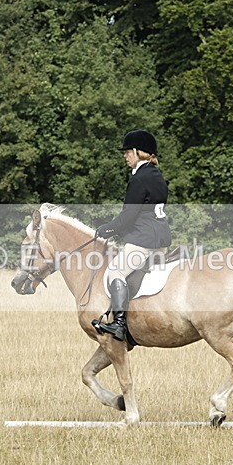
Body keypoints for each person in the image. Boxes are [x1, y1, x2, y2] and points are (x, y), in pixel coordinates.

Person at [95, 129, 172, 341]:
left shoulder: (139, 179)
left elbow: (129, 215)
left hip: (144, 240)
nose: (125, 156)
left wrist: (108, 229)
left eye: (128, 152)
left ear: (139, 152)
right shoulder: (157, 176)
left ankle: (118, 325)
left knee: (116, 272)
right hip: (161, 239)